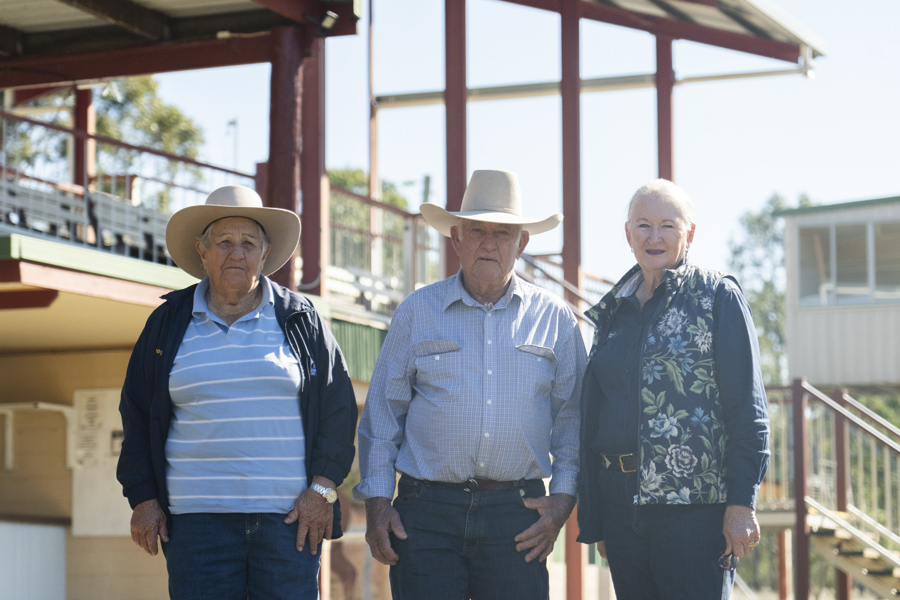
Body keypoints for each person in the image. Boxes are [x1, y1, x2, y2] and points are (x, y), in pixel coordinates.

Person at [354, 169, 587, 600]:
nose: (489, 243)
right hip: (425, 512)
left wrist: (562, 500)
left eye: (503, 233)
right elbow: (383, 416)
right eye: (477, 230)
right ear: (456, 238)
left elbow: (573, 419)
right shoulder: (416, 312)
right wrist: (378, 502)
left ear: (522, 243)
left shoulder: (556, 319)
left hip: (518, 514)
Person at [117, 185, 358, 600]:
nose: (237, 253)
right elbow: (136, 414)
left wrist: (321, 491)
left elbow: (339, 410)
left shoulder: (302, 319)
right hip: (195, 527)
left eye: (248, 243)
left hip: (289, 523)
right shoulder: (166, 323)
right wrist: (143, 498)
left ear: (264, 254)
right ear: (202, 252)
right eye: (224, 242)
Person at [576, 179, 770, 599]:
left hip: (694, 513)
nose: (654, 237)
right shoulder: (613, 309)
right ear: (628, 233)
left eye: (668, 225)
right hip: (619, 507)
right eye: (643, 225)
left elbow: (748, 412)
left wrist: (741, 503)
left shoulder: (718, 296)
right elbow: (595, 413)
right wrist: (598, 518)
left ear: (690, 233)